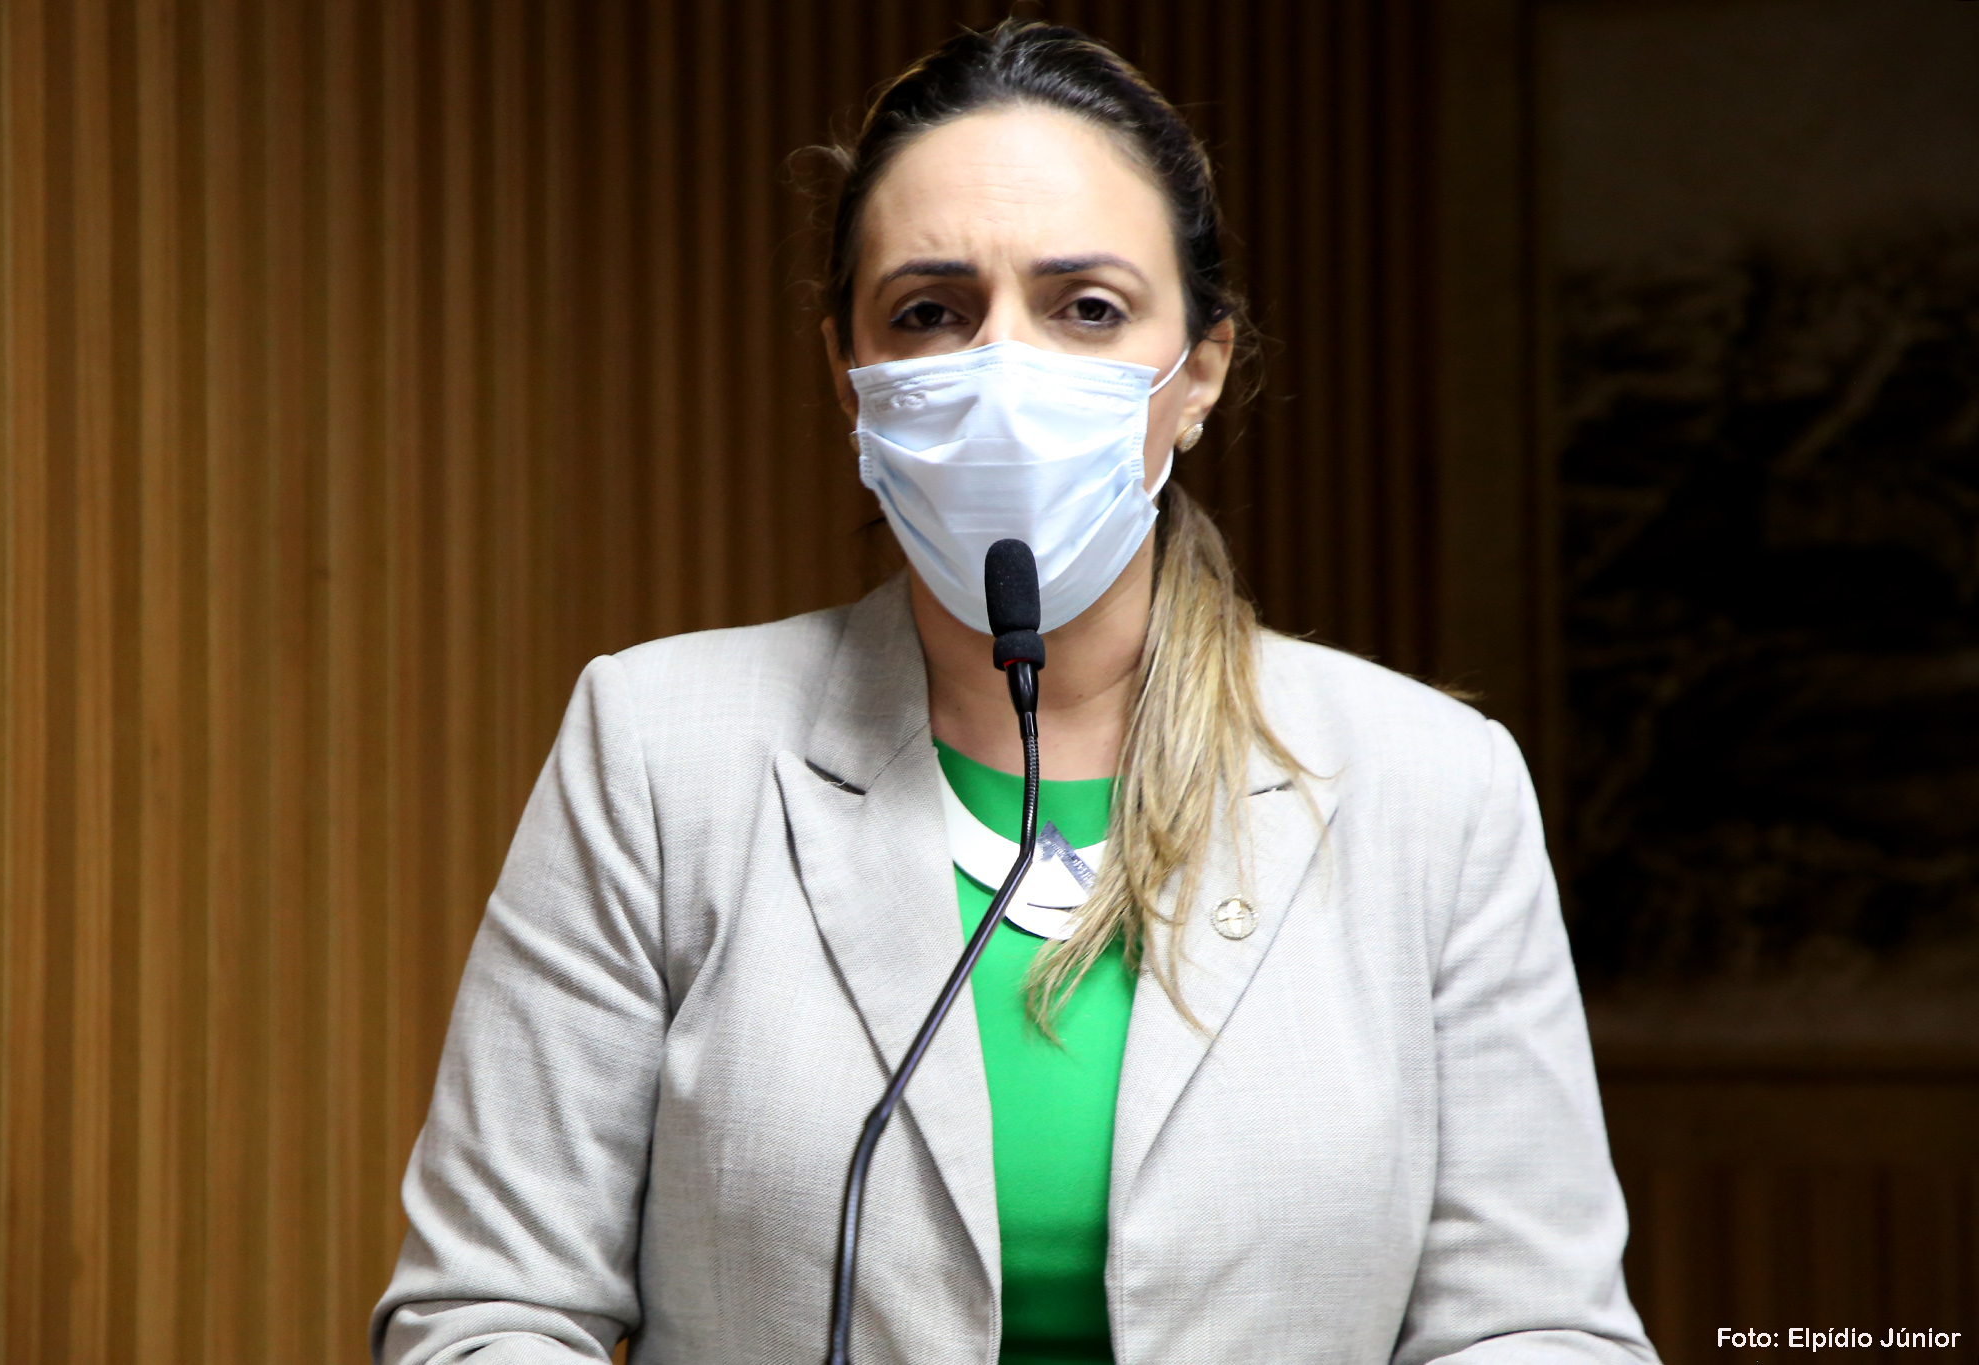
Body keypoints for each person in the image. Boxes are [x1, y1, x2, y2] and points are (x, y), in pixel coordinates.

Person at [372, 21, 1657, 1365]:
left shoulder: (1433, 786)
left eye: (1085, 308)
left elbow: (1538, 1328)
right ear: (849, 374)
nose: (1001, 367)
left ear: (1201, 368)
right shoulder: (659, 751)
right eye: (929, 311)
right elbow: (486, 1314)